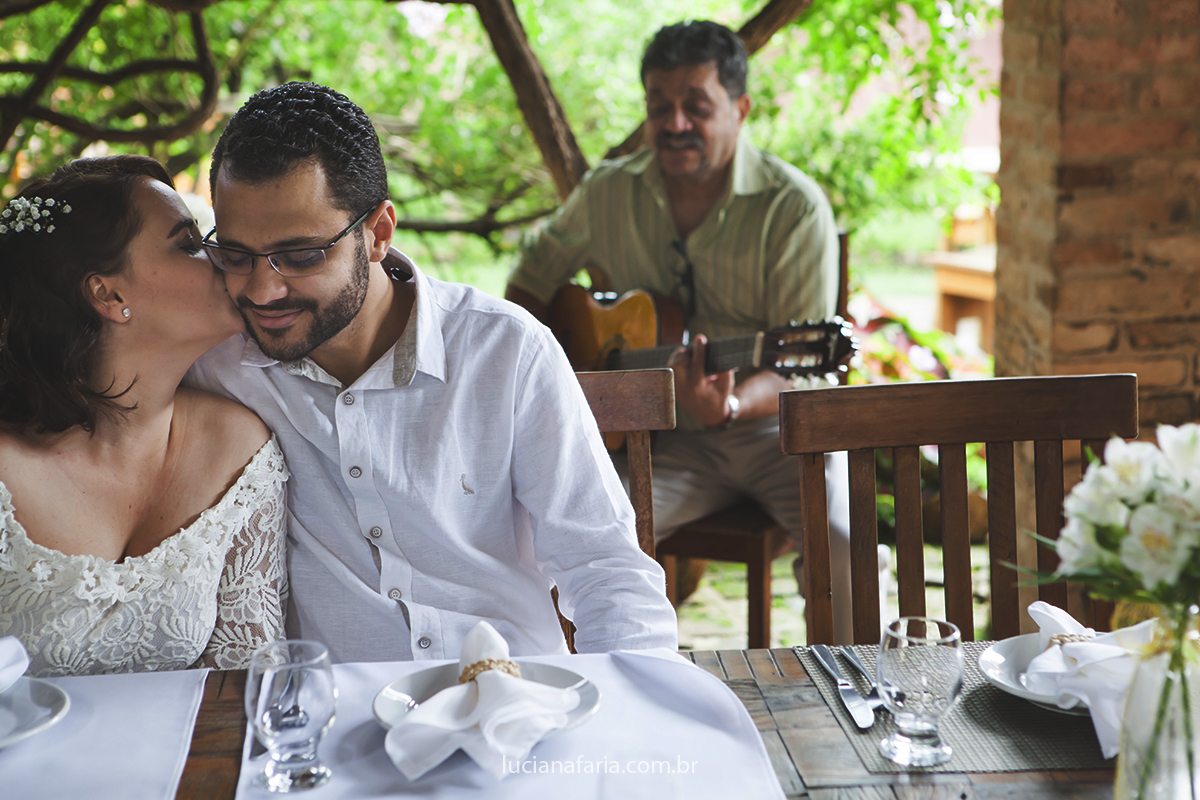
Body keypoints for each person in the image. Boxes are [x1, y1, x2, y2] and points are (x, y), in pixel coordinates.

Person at [186, 82, 677, 664]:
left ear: (378, 233)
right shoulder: (217, 368)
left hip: (514, 702)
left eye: (301, 255)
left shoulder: (507, 351)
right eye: (236, 255)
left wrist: (630, 715)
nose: (263, 290)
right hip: (338, 722)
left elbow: (605, 567)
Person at [505, 20, 856, 642]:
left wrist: (728, 403)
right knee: (551, 535)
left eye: (696, 106)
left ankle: (864, 695)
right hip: (652, 440)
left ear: (741, 108)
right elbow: (529, 284)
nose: (674, 124)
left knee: (847, 541)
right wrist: (571, 382)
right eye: (658, 107)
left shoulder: (793, 208)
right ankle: (570, 697)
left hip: (775, 430)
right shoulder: (609, 193)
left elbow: (803, 367)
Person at [0, 155, 288, 676]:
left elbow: (250, 679)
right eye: (189, 244)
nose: (221, 258)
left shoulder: (238, 449)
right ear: (109, 294)